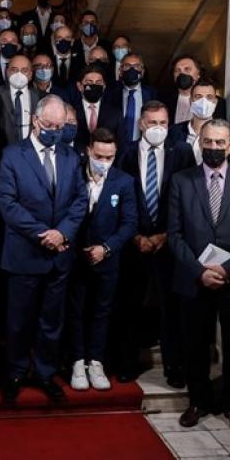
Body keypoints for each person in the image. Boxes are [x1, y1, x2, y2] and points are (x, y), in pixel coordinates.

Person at [167, 118, 230, 435]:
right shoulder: (181, 180)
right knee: (194, 345)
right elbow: (174, 235)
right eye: (208, 141)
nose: (213, 147)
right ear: (200, 142)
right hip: (194, 280)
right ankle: (198, 402)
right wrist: (200, 271)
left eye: (220, 142)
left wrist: (227, 268)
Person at [0, 95, 88, 403]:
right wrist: (42, 234)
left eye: (60, 127)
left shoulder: (71, 157)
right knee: (18, 321)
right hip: (24, 253)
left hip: (60, 254)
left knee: (52, 321)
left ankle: (45, 373)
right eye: (49, 125)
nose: (55, 131)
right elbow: (8, 204)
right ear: (35, 121)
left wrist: (62, 233)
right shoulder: (12, 155)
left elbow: (80, 200)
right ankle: (15, 372)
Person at [113, 101, 194, 385]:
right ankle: (127, 363)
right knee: (129, 305)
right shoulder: (126, 153)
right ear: (141, 124)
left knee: (170, 307)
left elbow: (188, 198)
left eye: (163, 123)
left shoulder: (182, 153)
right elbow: (119, 196)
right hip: (133, 243)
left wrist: (166, 235)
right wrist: (135, 236)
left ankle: (174, 366)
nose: (158, 128)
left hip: (168, 243)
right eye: (152, 123)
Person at [67, 127, 137, 391]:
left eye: (109, 157)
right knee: (75, 311)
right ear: (88, 151)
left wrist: (106, 249)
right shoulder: (73, 175)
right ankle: (77, 361)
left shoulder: (124, 181)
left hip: (107, 260)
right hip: (75, 257)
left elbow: (129, 224)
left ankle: (96, 361)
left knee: (102, 311)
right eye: (99, 156)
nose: (104, 162)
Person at [168, 78, 230, 165]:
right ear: (190, 101)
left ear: (215, 103)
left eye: (209, 97)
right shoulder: (174, 131)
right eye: (198, 97)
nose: (203, 102)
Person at [0, 54, 42, 148]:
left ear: (31, 75)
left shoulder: (40, 97)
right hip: (2, 152)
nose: (19, 74)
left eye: (24, 70)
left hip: (32, 151)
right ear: (7, 72)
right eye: (14, 70)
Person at [110, 53, 158, 148]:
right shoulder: (110, 93)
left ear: (142, 72)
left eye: (137, 66)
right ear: (120, 71)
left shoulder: (153, 94)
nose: (132, 70)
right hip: (116, 148)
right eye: (127, 66)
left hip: (143, 148)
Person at [71, 64, 122, 150]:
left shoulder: (115, 113)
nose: (94, 86)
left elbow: (121, 144)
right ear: (79, 86)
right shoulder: (71, 111)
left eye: (98, 83)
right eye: (89, 82)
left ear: (104, 86)